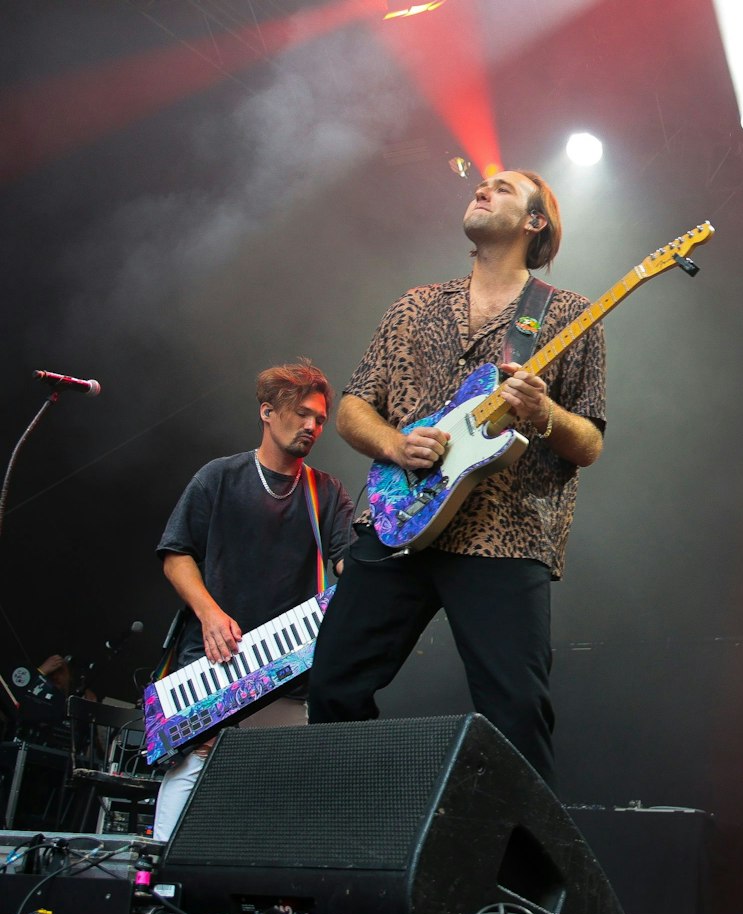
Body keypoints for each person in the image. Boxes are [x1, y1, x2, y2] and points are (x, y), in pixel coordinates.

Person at [307, 170, 607, 789]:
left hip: (502, 533)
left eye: (501, 188)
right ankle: (361, 833)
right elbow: (354, 406)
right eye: (481, 185)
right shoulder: (415, 306)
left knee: (517, 713)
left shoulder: (571, 316)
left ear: (535, 222)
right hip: (398, 520)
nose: (482, 189)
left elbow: (591, 443)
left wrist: (544, 413)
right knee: (333, 685)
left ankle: (518, 876)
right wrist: (395, 442)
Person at [155, 361, 354, 840]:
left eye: (321, 419)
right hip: (215, 659)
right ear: (268, 411)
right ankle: (158, 888)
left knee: (275, 800)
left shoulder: (325, 493)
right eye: (303, 414)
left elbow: (351, 567)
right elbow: (176, 554)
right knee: (192, 774)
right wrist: (210, 613)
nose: (313, 426)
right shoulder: (219, 477)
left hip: (285, 667)